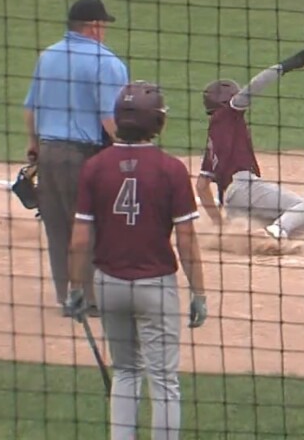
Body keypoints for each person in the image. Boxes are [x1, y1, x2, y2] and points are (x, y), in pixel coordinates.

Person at [64, 81, 208, 440]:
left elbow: (81, 238)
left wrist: (75, 287)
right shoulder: (171, 169)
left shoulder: (96, 167)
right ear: (157, 123)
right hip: (155, 286)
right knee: (163, 380)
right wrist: (199, 292)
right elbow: (186, 240)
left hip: (108, 284)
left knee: (126, 371)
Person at [23, 0, 128, 316]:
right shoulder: (106, 62)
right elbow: (109, 119)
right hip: (84, 157)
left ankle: (67, 294)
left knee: (56, 226)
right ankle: (89, 299)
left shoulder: (48, 56)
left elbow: (30, 109)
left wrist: (35, 147)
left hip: (48, 154)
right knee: (90, 225)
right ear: (94, 27)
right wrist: (132, 150)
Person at [195, 47, 304, 254]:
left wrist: (220, 225)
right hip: (245, 187)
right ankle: (274, 233)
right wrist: (289, 64)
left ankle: (262, 238)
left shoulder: (213, 139)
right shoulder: (229, 114)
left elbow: (201, 186)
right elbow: (255, 85)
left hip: (232, 204)